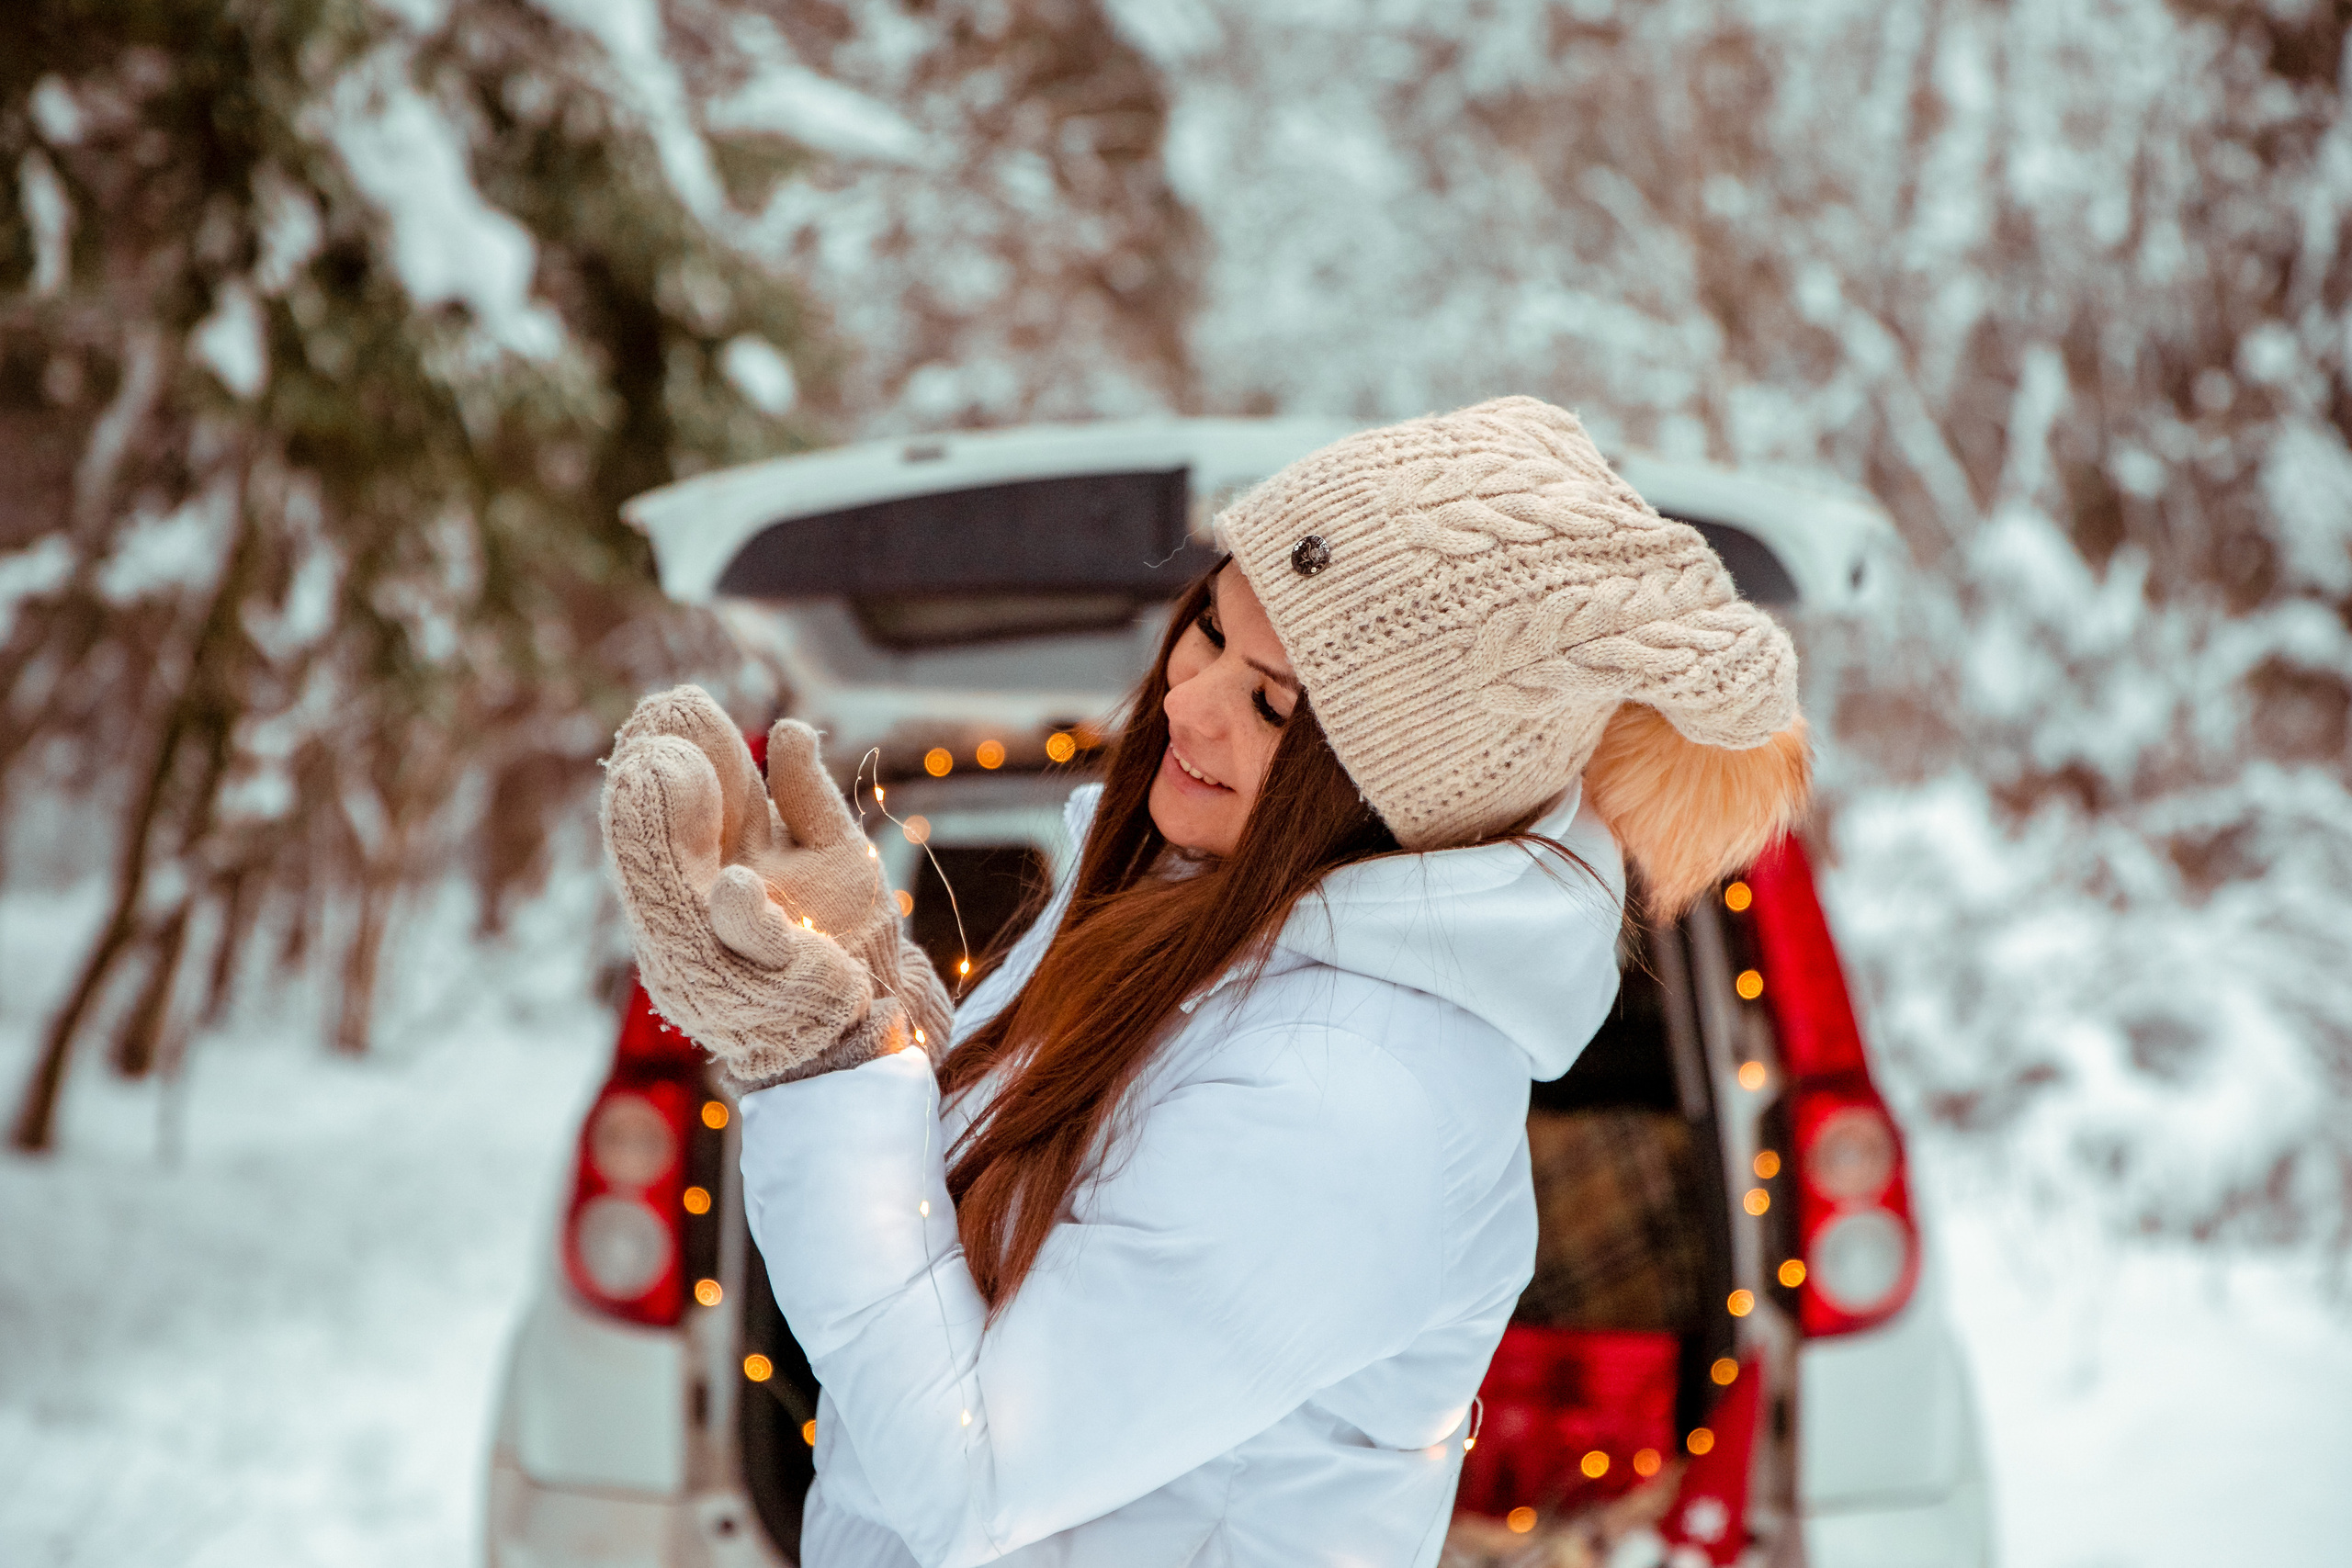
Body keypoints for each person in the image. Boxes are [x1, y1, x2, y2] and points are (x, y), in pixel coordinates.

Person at [599, 397, 1811, 1567]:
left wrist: (814, 1059)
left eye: (1272, 704)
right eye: (1215, 627)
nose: (1190, 698)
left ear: (1394, 798)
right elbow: (976, 1249)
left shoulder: (1346, 1102)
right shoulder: (1188, 911)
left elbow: (973, 1477)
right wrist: (866, 990)